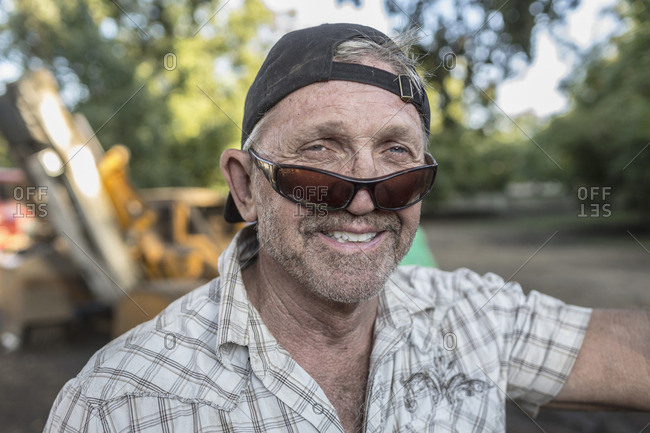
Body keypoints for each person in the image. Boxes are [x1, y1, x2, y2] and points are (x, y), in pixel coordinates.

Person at [45, 23, 649, 433]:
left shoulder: (472, 318)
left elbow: (630, 351)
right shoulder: (116, 404)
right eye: (321, 154)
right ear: (246, 186)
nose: (364, 201)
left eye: (396, 157)